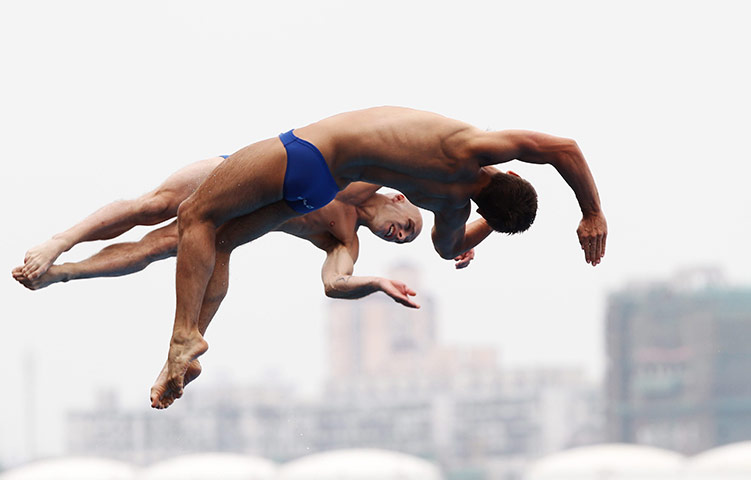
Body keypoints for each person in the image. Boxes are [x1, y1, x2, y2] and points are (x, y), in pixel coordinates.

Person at [146, 106, 608, 409]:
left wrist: (592, 212)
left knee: (197, 216)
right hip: (324, 190)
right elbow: (447, 248)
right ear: (486, 211)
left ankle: (183, 339)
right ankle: (186, 347)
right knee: (221, 239)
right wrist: (486, 227)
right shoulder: (453, 208)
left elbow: (561, 148)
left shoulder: (470, 147)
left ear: (507, 170)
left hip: (315, 159)